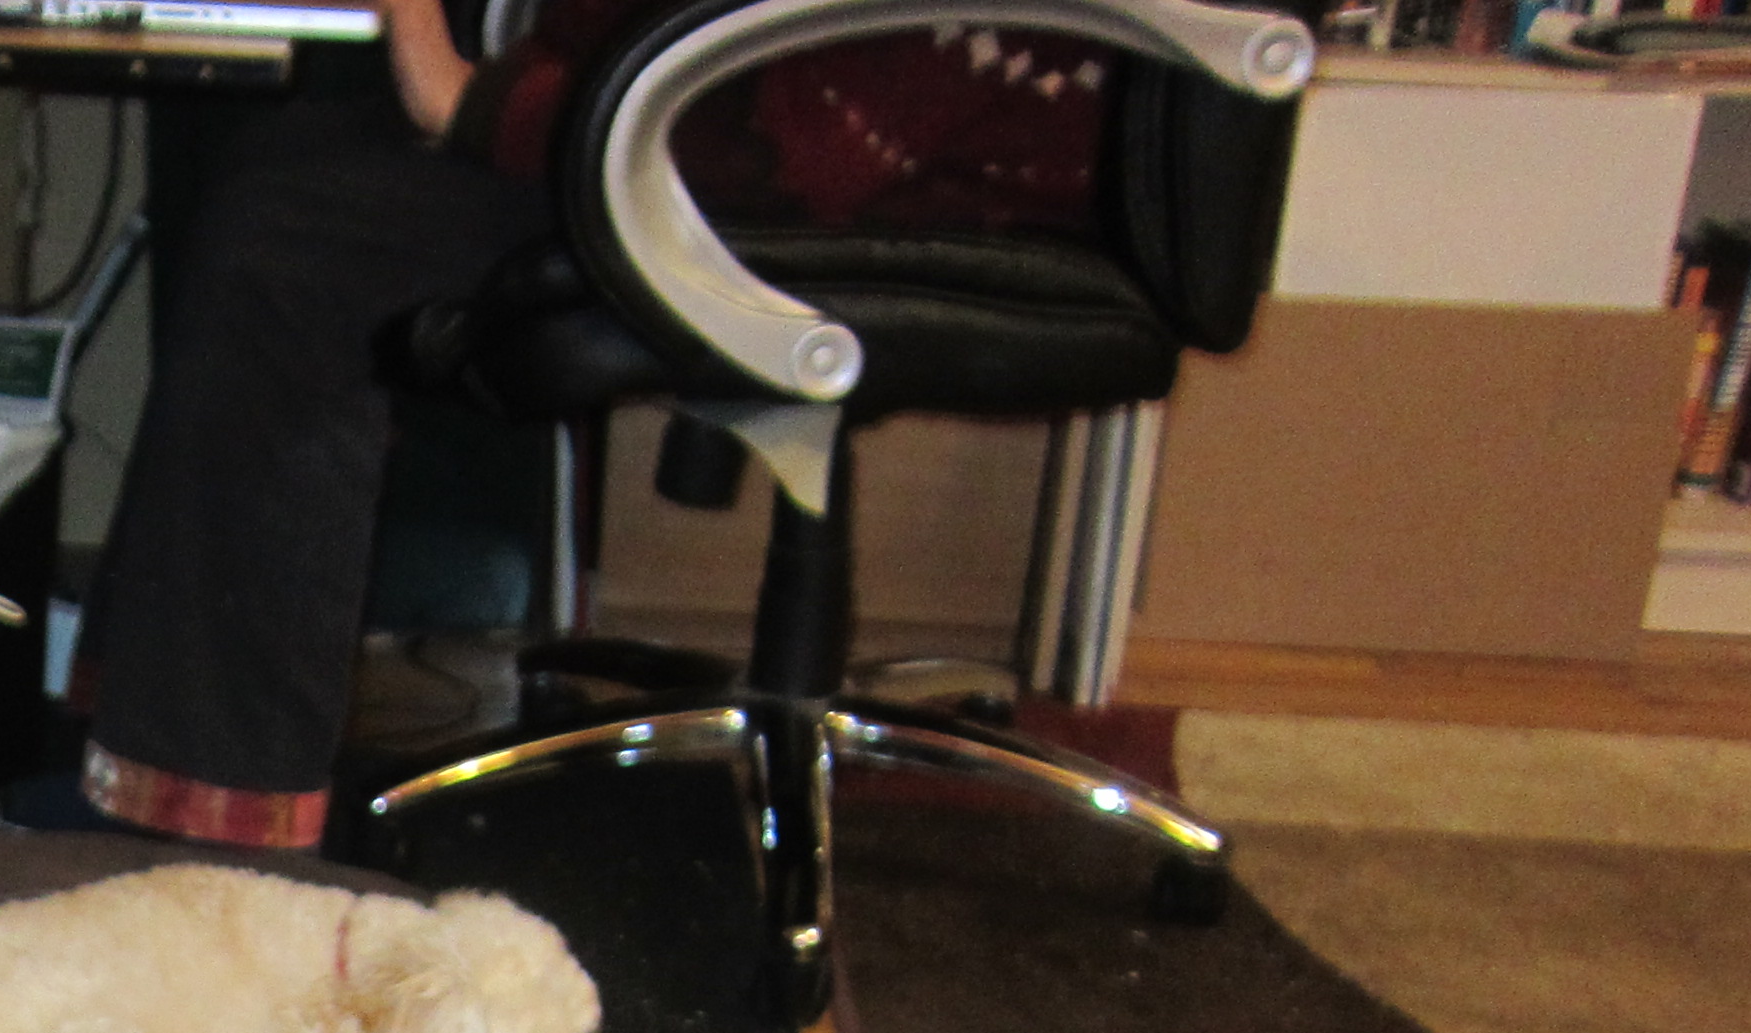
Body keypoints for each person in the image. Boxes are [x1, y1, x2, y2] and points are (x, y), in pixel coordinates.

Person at [63, 0, 1109, 848]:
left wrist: (458, 89)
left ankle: (217, 834)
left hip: (875, 191)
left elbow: (771, 141)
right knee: (281, 164)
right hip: (763, 145)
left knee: (293, 254)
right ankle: (150, 756)